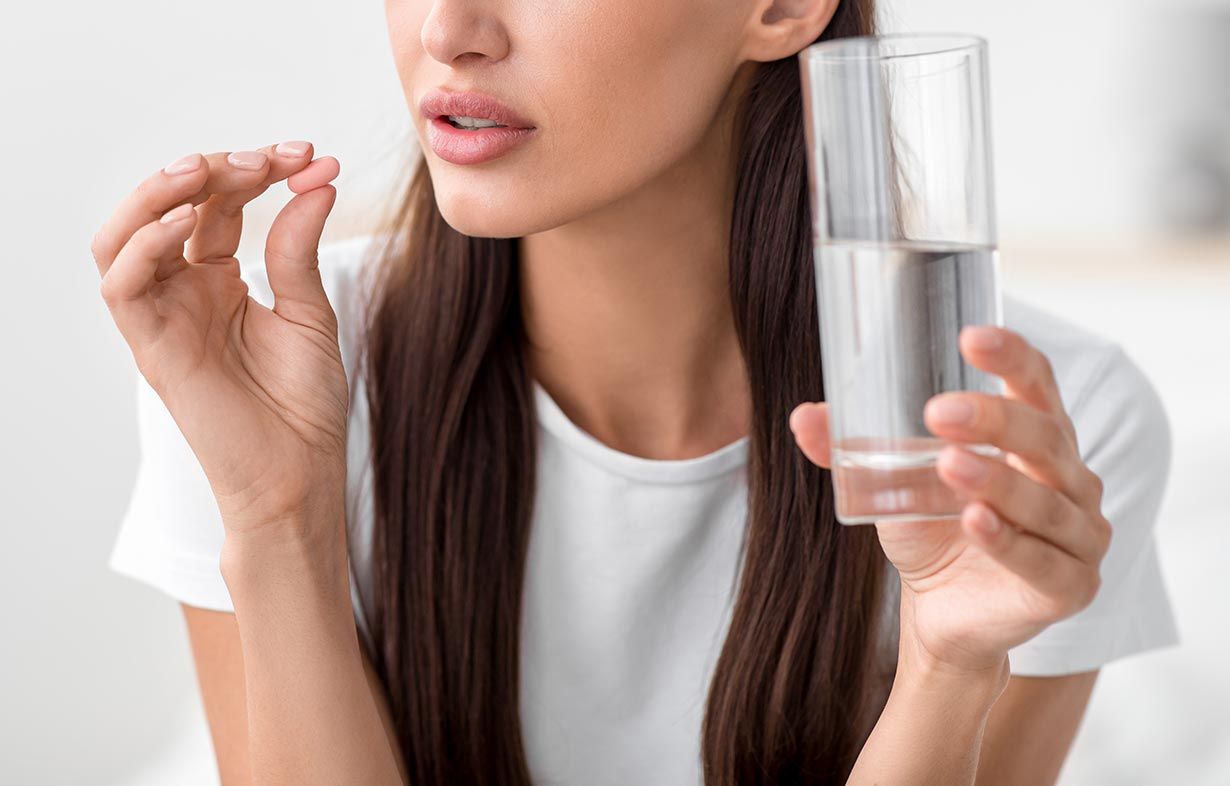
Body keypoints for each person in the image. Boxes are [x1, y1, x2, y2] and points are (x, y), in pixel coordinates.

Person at [91, 0, 1180, 784]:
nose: (449, 28)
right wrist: (276, 519)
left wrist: (950, 667)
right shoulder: (273, 362)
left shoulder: (1031, 431)